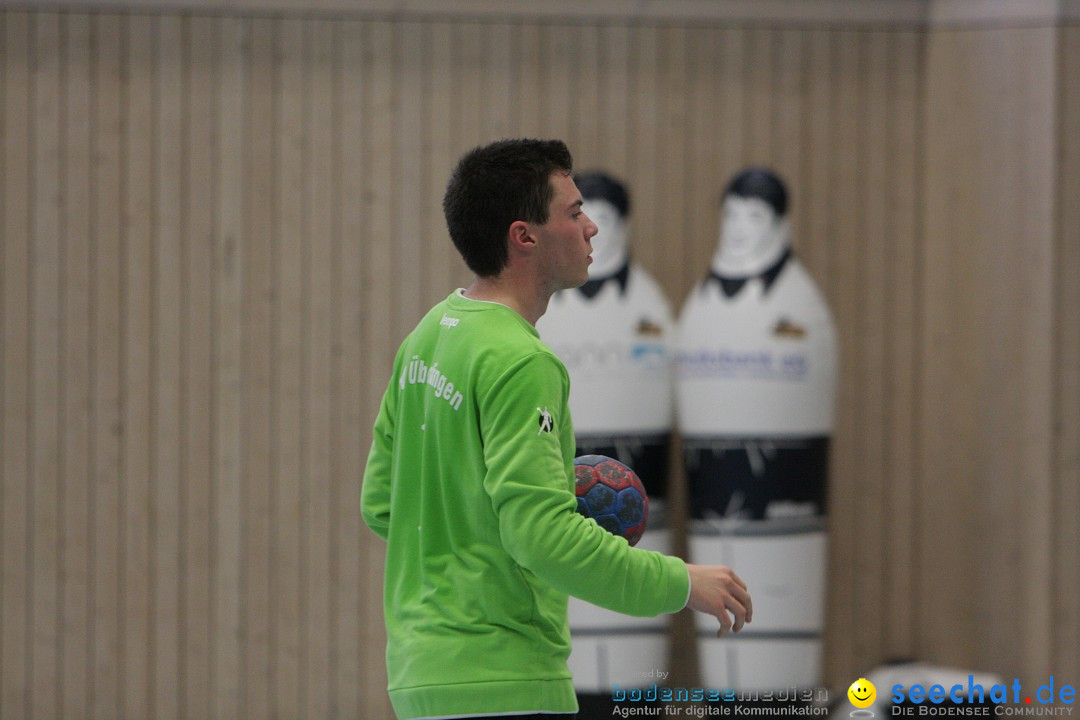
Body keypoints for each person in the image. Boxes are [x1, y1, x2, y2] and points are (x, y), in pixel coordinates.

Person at [361, 138, 753, 720]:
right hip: (507, 680)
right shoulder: (521, 360)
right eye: (573, 213)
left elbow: (381, 504)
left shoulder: (426, 337)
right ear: (525, 236)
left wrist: (483, 514)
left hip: (422, 680)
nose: (592, 228)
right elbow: (540, 537)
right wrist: (680, 583)